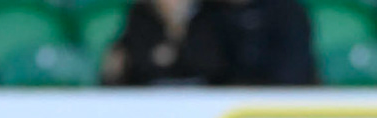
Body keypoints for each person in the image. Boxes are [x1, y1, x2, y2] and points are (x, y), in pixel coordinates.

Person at [104, 0, 317, 85]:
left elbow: (210, 64)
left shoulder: (287, 13)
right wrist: (175, 26)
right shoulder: (212, 13)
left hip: (273, 114)